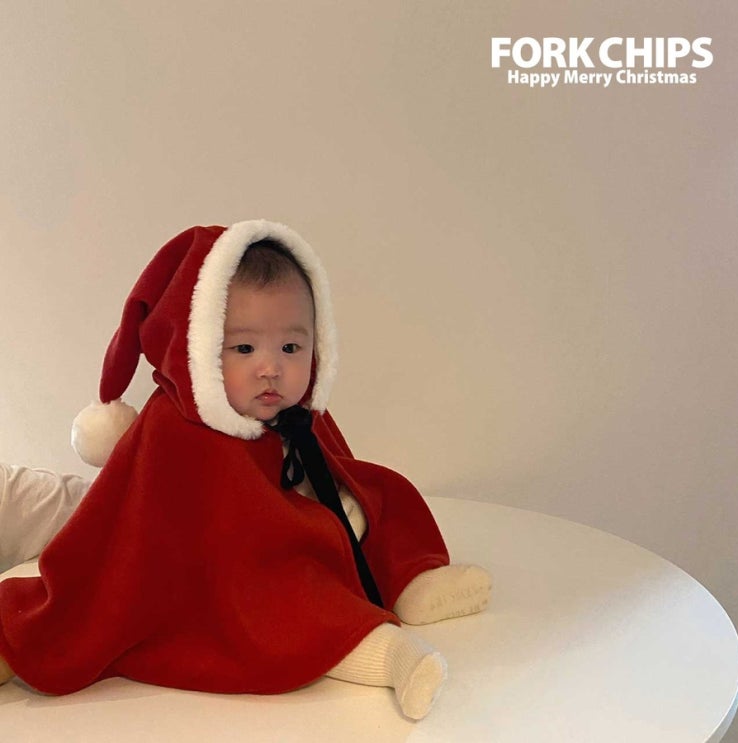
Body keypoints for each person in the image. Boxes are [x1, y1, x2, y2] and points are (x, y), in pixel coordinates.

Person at [0, 220, 491, 720]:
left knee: (383, 493)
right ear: (198, 349)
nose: (270, 368)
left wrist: (345, 511)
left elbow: (328, 473)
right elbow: (129, 529)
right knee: (295, 591)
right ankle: (391, 654)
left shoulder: (297, 416)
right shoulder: (178, 429)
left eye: (291, 348)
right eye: (243, 349)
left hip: (293, 538)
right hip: (224, 578)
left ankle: (412, 581)